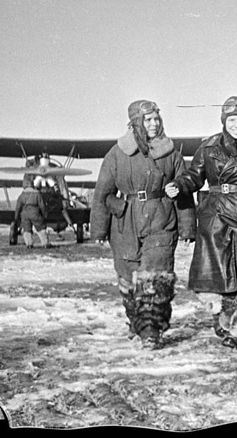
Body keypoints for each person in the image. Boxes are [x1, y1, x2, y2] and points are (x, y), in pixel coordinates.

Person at [165, 96, 237, 349]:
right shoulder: (208, 147)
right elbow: (194, 176)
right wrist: (179, 185)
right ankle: (223, 317)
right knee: (217, 272)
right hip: (214, 215)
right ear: (224, 122)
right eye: (232, 120)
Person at [90, 100, 196, 348]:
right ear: (135, 123)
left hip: (162, 220)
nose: (153, 124)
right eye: (147, 120)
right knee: (128, 281)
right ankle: (135, 321)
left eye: (156, 118)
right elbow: (102, 192)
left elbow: (184, 190)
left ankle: (151, 330)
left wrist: (188, 226)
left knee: (155, 278)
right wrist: (98, 228)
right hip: (125, 224)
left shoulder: (172, 154)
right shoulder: (116, 154)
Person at [14, 178, 51, 249]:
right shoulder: (37, 193)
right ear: (33, 185)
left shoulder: (22, 194)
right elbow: (42, 205)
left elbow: (18, 207)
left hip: (24, 214)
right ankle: (45, 243)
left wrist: (16, 218)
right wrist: (45, 214)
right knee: (41, 228)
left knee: (27, 229)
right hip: (35, 213)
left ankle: (29, 244)